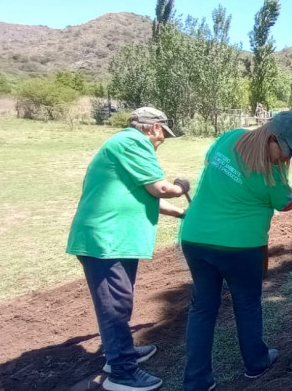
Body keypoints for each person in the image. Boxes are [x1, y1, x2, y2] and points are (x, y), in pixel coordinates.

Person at [178, 111, 292, 391]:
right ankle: (256, 362)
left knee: (202, 308)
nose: (288, 158)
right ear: (274, 137)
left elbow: (209, 162)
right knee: (247, 304)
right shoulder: (273, 173)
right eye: (288, 151)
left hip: (195, 237)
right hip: (242, 246)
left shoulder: (230, 137)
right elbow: (283, 204)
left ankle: (197, 382)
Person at [66, 107, 189, 391]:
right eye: (164, 136)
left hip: (117, 239)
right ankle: (121, 372)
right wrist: (181, 187)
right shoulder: (133, 142)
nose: (162, 142)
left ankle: (119, 353)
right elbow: (160, 189)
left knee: (120, 300)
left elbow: (149, 198)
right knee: (115, 305)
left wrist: (183, 214)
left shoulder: (124, 146)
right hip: (105, 240)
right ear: (155, 128)